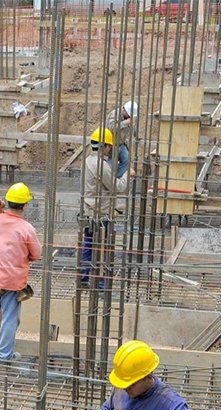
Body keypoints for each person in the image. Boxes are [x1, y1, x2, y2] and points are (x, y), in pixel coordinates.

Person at [0, 182, 42, 362]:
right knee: (9, 318)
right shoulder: (27, 229)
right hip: (13, 283)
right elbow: (36, 254)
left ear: (8, 202)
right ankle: (4, 357)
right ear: (24, 206)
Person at [81, 127, 130, 288]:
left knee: (88, 244)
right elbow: (117, 187)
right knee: (104, 248)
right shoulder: (101, 165)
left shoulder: (87, 161)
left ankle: (83, 277)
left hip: (88, 211)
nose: (110, 150)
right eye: (109, 146)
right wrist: (127, 174)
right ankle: (101, 285)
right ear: (104, 146)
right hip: (101, 213)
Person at [105, 100, 139, 179]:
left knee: (126, 160)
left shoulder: (128, 117)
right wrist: (125, 123)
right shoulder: (114, 114)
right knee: (111, 164)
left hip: (121, 144)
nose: (130, 116)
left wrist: (136, 135)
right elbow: (112, 128)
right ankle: (107, 178)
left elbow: (133, 128)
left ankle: (116, 179)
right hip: (111, 144)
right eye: (129, 114)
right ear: (124, 110)